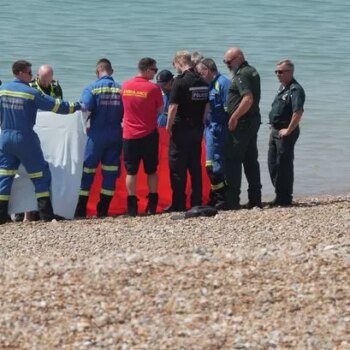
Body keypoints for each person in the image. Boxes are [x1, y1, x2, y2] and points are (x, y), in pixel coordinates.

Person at [0, 60, 82, 224]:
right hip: (25, 139)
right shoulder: (30, 92)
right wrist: (77, 106)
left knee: (5, 176)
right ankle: (46, 215)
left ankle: (2, 215)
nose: (32, 77)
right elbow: (56, 106)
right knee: (40, 175)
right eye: (30, 73)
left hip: (5, 138)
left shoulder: (2, 91)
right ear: (21, 73)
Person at [74, 58, 123, 218]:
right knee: (110, 172)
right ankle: (103, 210)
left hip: (96, 136)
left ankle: (80, 209)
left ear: (97, 72)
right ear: (112, 71)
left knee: (87, 170)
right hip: (116, 134)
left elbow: (85, 108)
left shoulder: (92, 88)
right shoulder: (121, 89)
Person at [165, 51, 209, 212]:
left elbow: (173, 107)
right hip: (197, 129)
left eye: (174, 64)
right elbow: (206, 106)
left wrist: (168, 127)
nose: (175, 68)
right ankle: (196, 201)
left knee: (178, 167)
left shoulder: (180, 82)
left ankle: (179, 203)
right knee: (195, 166)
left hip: (181, 129)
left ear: (179, 62)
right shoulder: (202, 81)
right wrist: (202, 123)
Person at [121, 57, 163, 216]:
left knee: (131, 172)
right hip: (148, 134)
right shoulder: (153, 89)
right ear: (147, 69)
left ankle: (132, 206)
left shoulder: (125, 86)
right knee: (151, 170)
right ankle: (152, 205)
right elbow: (160, 110)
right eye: (154, 70)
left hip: (129, 135)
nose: (155, 73)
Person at [223, 47, 262, 209]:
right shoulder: (251, 71)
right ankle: (255, 199)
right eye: (225, 62)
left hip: (243, 122)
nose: (227, 65)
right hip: (251, 121)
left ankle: (232, 200)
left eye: (229, 62)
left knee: (233, 160)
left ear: (239, 58)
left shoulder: (242, 75)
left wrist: (234, 116)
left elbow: (248, 98)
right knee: (250, 159)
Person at [268, 59, 305, 206]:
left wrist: (289, 130)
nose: (278, 74)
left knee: (284, 164)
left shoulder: (295, 89)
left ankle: (285, 198)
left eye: (281, 72)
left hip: (286, 132)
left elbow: (298, 111)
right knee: (273, 164)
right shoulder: (282, 88)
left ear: (290, 72)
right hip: (275, 131)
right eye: (276, 71)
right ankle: (279, 194)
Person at [196, 58, 231, 209]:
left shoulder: (223, 83)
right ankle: (215, 196)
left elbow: (229, 108)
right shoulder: (210, 84)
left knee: (215, 166)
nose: (199, 75)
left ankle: (221, 199)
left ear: (208, 69)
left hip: (219, 129)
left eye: (200, 72)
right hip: (210, 129)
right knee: (210, 165)